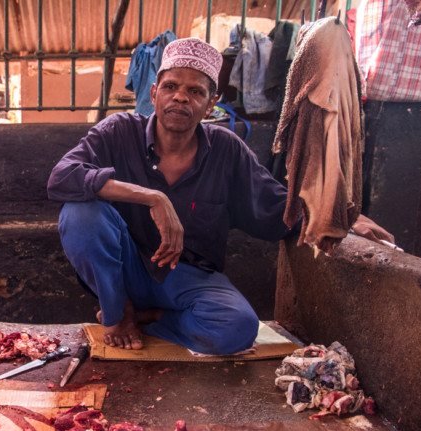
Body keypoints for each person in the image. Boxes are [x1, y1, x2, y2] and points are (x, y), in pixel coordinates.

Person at [47, 37, 394, 355]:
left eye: (195, 91)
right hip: (128, 269)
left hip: (188, 278)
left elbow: (276, 208)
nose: (180, 97)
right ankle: (119, 313)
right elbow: (62, 177)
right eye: (170, 86)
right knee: (81, 214)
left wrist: (340, 217)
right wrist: (153, 197)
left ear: (212, 103)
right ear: (154, 94)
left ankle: (150, 318)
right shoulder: (118, 131)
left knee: (237, 329)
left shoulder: (227, 151)